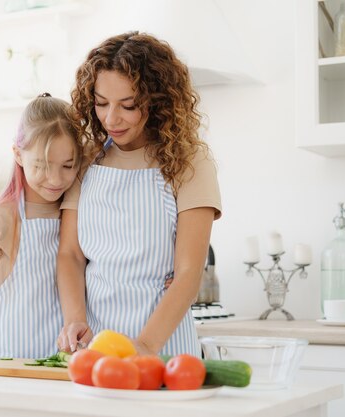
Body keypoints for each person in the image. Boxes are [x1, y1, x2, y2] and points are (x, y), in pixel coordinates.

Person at [56, 32, 222, 357]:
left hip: (164, 344)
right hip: (95, 344)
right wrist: (74, 320)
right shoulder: (87, 158)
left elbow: (189, 271)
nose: (111, 119)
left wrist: (146, 345)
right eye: (101, 103)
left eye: (128, 105)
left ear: (157, 101)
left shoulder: (190, 162)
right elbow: (71, 255)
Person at [0, 93, 83, 359]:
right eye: (42, 166)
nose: (56, 179)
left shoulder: (78, 219)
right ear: (18, 155)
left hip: (55, 371)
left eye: (68, 166)